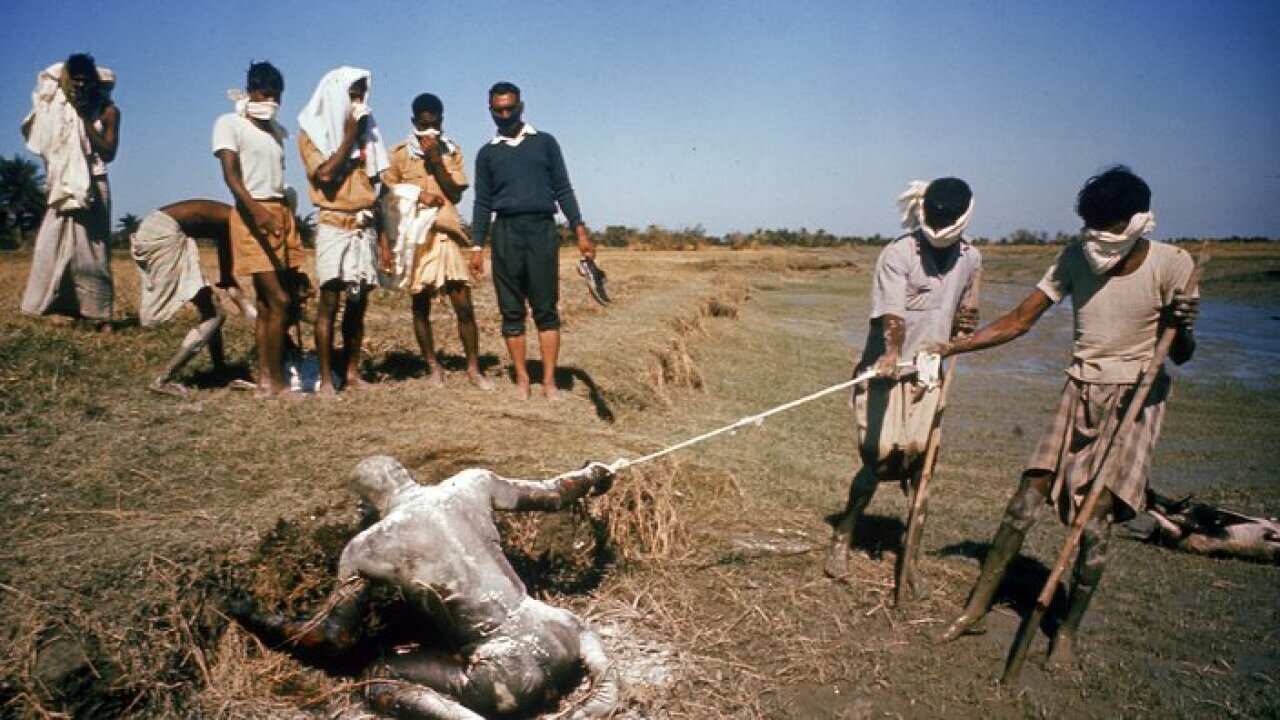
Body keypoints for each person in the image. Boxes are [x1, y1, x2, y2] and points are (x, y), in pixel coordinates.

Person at [934, 166, 1199, 667]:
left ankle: (1067, 632)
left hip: (1136, 398)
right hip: (1079, 388)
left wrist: (1182, 327)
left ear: (1138, 221)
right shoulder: (1075, 256)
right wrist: (952, 347)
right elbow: (1020, 319)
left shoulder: (1175, 265)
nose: (1098, 239)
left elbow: (1182, 354)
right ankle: (976, 606)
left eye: (1108, 227)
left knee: (1095, 520)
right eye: (1090, 228)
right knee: (1024, 500)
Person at [228, 455, 621, 719]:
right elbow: (554, 494)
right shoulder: (471, 483)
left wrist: (256, 617)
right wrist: (592, 474)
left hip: (508, 677)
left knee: (378, 675)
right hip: (558, 635)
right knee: (571, 624)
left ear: (368, 504)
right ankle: (602, 678)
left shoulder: (368, 547)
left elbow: (333, 637)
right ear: (406, 475)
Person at [824, 178, 982, 600]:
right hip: (885, 372)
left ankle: (910, 557)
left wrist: (965, 325)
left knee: (920, 463)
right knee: (878, 457)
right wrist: (892, 353)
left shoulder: (971, 258)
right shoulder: (898, 253)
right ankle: (843, 534)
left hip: (929, 375)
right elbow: (891, 314)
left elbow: (966, 310)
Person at [470, 82, 596, 400]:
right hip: (505, 233)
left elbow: (563, 188)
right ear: (490, 111)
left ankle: (549, 381)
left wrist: (579, 229)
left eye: (510, 108)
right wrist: (477, 246)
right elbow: (482, 203)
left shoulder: (545, 143)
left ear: (521, 107)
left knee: (546, 309)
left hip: (541, 231)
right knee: (511, 312)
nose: (505, 115)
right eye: (498, 110)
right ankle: (523, 379)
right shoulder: (487, 154)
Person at [381, 92, 493, 390]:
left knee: (463, 305)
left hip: (446, 233)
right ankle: (433, 367)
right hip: (415, 239)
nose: (430, 129)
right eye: (423, 124)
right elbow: (387, 196)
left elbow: (455, 194)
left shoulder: (451, 150)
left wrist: (435, 161)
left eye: (435, 123)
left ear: (442, 121)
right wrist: (418, 195)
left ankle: (473, 368)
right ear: (414, 121)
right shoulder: (399, 154)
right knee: (420, 306)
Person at [213, 61, 303, 397]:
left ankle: (266, 379)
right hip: (253, 214)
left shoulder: (276, 131)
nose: (271, 101)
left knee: (268, 303)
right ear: (251, 91)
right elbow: (231, 176)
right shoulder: (230, 124)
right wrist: (257, 212)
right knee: (279, 300)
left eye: (277, 95)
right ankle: (277, 380)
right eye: (265, 94)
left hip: (280, 212)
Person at [297, 67, 390, 396]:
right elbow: (325, 176)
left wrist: (383, 238)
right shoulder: (311, 133)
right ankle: (326, 379)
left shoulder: (367, 132)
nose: (359, 101)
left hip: (363, 224)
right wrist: (349, 137)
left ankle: (351, 373)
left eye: (362, 94)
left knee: (357, 302)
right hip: (334, 222)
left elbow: (378, 185)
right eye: (353, 95)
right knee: (329, 302)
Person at [20, 54, 121, 331]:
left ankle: (100, 315)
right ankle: (66, 309)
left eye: (85, 81)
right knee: (52, 247)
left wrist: (84, 119)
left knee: (93, 253)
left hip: (94, 185)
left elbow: (109, 152)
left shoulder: (108, 111)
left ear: (94, 82)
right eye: (75, 80)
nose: (80, 85)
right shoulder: (59, 111)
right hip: (64, 187)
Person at [129, 199, 258, 395]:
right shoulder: (236, 220)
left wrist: (241, 299)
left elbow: (227, 275)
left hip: (154, 228)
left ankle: (219, 370)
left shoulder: (230, 221)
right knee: (215, 314)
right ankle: (163, 379)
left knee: (211, 309)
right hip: (163, 233)